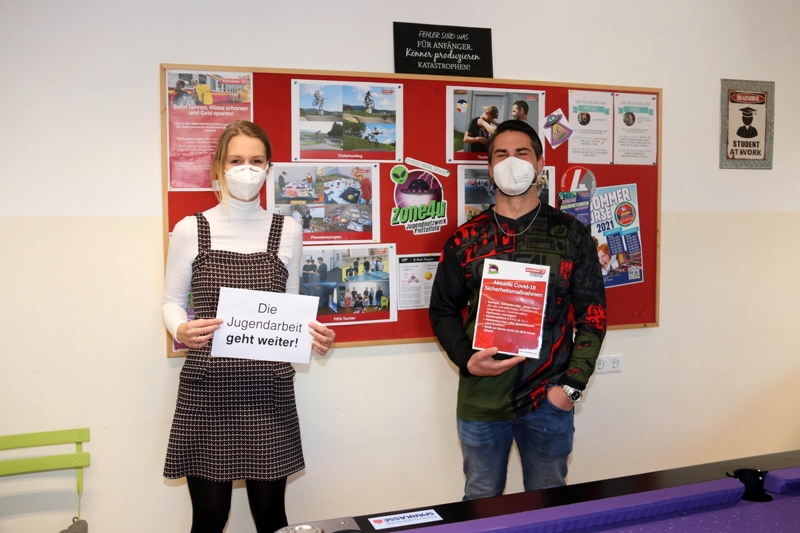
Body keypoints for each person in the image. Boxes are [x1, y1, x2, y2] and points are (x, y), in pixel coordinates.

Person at [162, 120, 335, 533]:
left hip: (267, 388)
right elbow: (171, 302)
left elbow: (291, 309)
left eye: (256, 161)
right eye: (236, 160)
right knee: (209, 518)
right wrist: (180, 330)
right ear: (218, 167)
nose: (247, 169)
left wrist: (316, 336)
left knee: (272, 518)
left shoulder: (288, 230)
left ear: (268, 168)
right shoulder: (190, 229)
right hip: (208, 388)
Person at [429, 120, 606, 500]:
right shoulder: (465, 238)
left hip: (548, 400)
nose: (512, 162)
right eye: (501, 154)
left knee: (548, 507)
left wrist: (570, 388)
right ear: (490, 167)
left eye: (522, 153)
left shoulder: (572, 235)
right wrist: (466, 359)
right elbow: (443, 310)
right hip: (481, 400)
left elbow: (593, 317)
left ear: (540, 163)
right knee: (480, 504)